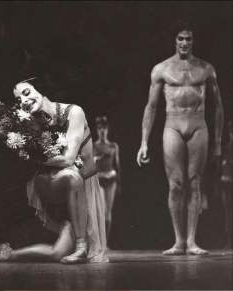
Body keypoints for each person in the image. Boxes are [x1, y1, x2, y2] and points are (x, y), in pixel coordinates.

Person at [0, 69, 108, 263]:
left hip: (83, 189)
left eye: (26, 93)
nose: (24, 101)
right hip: (56, 184)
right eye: (19, 101)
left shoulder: (73, 112)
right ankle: (80, 246)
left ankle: (8, 253)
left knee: (58, 253)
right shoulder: (29, 126)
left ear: (40, 91)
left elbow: (68, 159)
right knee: (71, 177)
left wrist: (34, 156)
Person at [136, 22, 224, 255]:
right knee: (176, 184)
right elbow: (151, 106)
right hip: (173, 125)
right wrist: (144, 141)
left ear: (193, 41)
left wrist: (217, 142)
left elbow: (218, 108)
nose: (184, 43)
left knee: (194, 182)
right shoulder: (161, 69)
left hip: (197, 125)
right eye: (180, 39)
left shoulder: (206, 69)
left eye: (188, 39)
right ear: (174, 41)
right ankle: (178, 241)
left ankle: (192, 241)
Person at [93, 116, 121, 246]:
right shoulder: (93, 146)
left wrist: (119, 182)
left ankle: (105, 244)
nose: (102, 130)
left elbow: (117, 165)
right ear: (97, 130)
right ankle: (99, 242)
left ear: (107, 129)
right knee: (102, 211)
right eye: (100, 128)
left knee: (108, 213)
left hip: (111, 179)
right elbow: (89, 163)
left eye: (104, 128)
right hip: (99, 179)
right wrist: (98, 158)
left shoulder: (113, 146)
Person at [220, 120, 232, 249]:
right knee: (228, 213)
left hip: (227, 182)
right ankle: (228, 241)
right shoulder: (225, 148)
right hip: (227, 184)